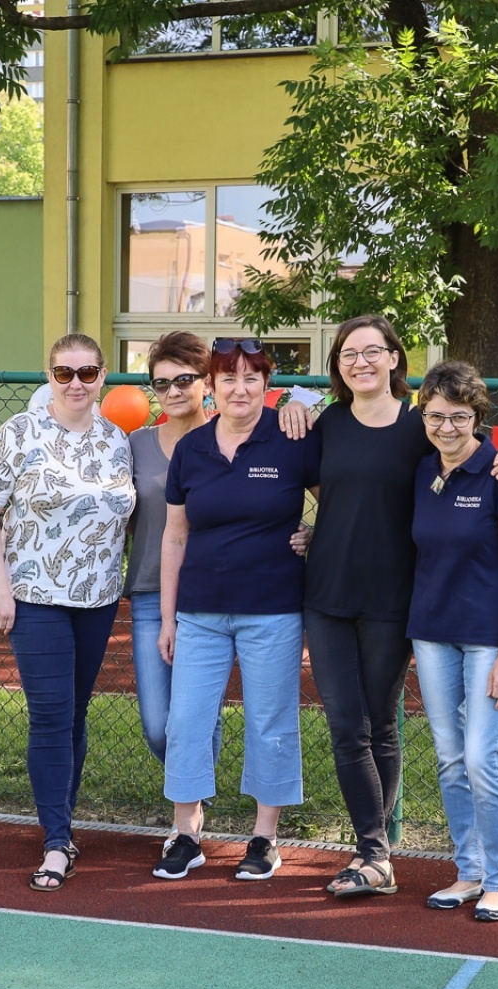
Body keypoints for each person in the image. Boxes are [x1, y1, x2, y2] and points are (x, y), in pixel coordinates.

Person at [297, 315, 498, 899]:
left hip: (395, 601)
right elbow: (333, 494)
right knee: (347, 725)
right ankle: (376, 854)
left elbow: (471, 449)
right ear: (338, 365)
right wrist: (315, 532)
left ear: (397, 359)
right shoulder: (326, 424)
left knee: (382, 725)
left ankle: (407, 861)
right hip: (329, 592)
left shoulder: (417, 428)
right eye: (348, 353)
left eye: (373, 351)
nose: (361, 362)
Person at [0, 333, 135, 892]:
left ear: (104, 376)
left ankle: (62, 824)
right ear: (49, 375)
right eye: (65, 373)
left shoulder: (118, 441)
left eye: (87, 373)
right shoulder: (19, 432)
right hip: (35, 596)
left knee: (75, 715)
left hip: (98, 598)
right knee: (50, 714)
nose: (76, 384)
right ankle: (56, 840)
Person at [153, 338, 320, 881]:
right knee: (186, 722)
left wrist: (316, 533)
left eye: (251, 378)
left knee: (270, 722)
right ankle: (186, 834)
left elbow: (343, 503)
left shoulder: (291, 438)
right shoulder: (192, 449)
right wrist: (168, 618)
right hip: (199, 613)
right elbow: (174, 538)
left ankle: (264, 837)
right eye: (228, 379)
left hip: (272, 611)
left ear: (266, 386)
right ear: (212, 387)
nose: (239, 389)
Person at [408, 361, 498, 923]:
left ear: (477, 417)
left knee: (483, 757)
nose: (446, 427)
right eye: (435, 416)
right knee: (450, 757)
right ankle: (468, 871)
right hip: (432, 633)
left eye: (459, 416)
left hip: (489, 639)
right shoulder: (421, 472)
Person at [125, 332, 222, 767]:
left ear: (207, 381)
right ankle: (190, 788)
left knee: (196, 715)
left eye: (184, 380)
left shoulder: (229, 440)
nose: (173, 392)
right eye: (162, 384)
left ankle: (190, 815)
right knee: (157, 724)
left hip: (210, 595)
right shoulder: (135, 445)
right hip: (149, 591)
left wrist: (300, 530)